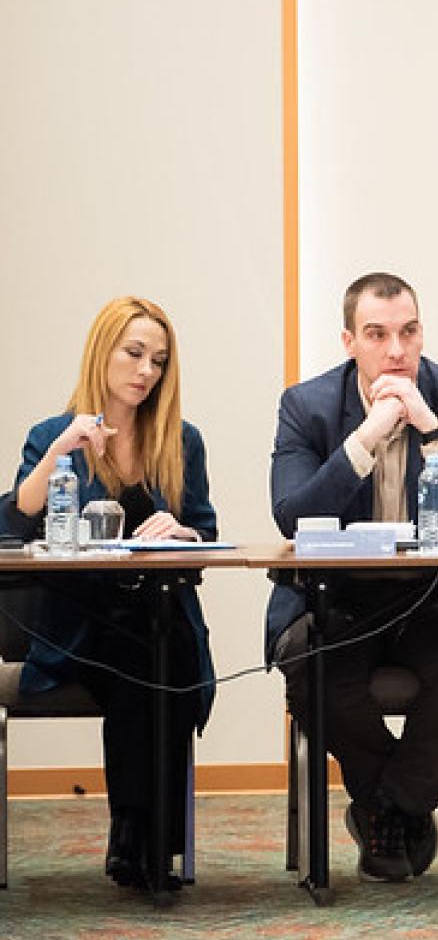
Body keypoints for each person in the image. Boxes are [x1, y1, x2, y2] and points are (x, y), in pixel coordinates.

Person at [267, 272, 438, 883]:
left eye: (407, 332)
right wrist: (366, 438)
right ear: (349, 340)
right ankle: (397, 809)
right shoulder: (307, 406)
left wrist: (433, 433)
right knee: (315, 665)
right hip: (338, 598)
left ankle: (388, 809)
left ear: (422, 332)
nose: (396, 351)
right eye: (377, 335)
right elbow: (292, 514)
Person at [0, 296, 216, 890]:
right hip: (78, 622)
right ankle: (138, 833)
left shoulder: (182, 441)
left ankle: (149, 836)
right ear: (103, 352)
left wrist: (183, 530)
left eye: (159, 361)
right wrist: (56, 457)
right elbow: (10, 526)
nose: (147, 371)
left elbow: (207, 534)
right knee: (137, 659)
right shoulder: (53, 434)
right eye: (135, 354)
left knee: (162, 650)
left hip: (160, 609)